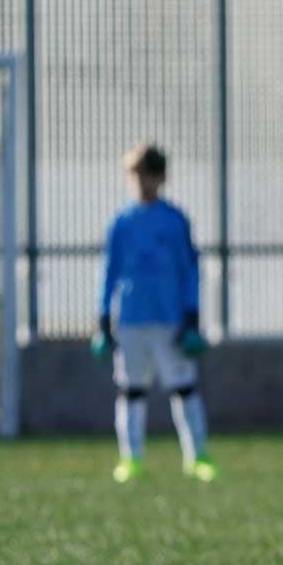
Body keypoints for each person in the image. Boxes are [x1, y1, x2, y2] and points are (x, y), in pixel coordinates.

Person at [91, 143, 215, 484]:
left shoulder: (175, 221)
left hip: (170, 319)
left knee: (184, 387)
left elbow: (189, 271)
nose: (143, 183)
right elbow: (109, 272)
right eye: (137, 176)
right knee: (131, 390)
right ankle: (131, 459)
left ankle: (198, 457)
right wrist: (103, 318)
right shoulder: (122, 223)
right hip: (131, 319)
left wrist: (191, 316)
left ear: (161, 178)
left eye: (149, 176)